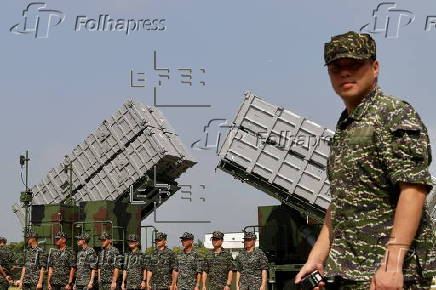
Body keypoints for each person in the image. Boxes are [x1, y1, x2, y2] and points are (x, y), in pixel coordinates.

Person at [294, 31, 436, 290]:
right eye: (337, 68)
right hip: (348, 275)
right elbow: (339, 203)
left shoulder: (393, 114)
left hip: (388, 277)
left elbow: (414, 190)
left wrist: (392, 266)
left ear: (375, 67)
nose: (345, 73)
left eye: (354, 65)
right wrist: (317, 258)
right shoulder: (345, 128)